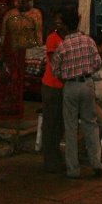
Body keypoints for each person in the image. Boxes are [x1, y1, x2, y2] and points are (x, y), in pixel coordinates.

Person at [49, 7, 102, 179]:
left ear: (64, 25)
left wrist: (66, 76)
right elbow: (97, 63)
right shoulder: (88, 41)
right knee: (91, 124)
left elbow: (55, 70)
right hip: (87, 84)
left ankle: (73, 169)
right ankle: (96, 164)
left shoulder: (62, 45)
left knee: (71, 128)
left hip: (71, 87)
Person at [41, 11, 66, 173]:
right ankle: (49, 159)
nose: (59, 26)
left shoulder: (65, 39)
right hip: (51, 85)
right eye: (56, 23)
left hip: (62, 86)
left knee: (59, 124)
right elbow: (52, 62)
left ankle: (55, 155)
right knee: (50, 124)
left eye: (60, 22)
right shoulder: (52, 38)